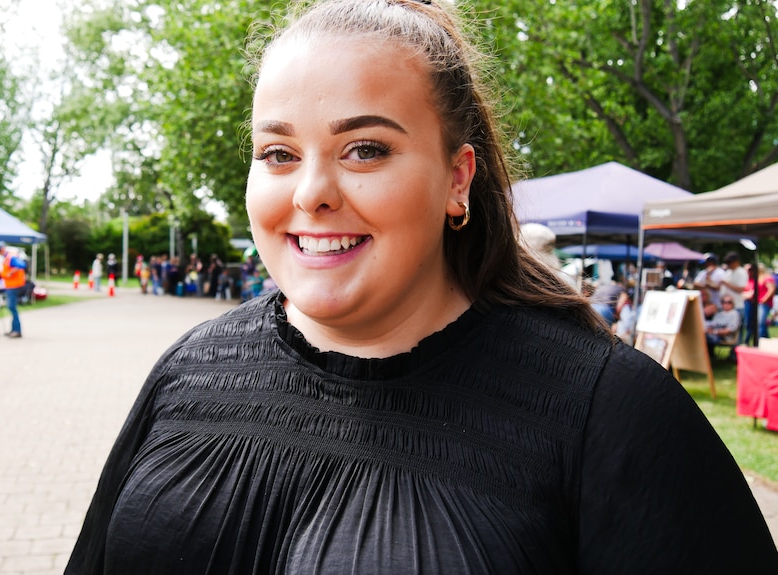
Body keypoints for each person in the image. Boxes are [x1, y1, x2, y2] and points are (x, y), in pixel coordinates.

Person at [66, 1, 778, 572]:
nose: (311, 192)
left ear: (457, 178)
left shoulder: (610, 412)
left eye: (365, 149)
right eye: (278, 153)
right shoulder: (188, 371)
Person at [0, 241, 27, 338]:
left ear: (0, 250)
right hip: (10, 285)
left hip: (14, 285)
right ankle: (14, 329)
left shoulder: (10, 257)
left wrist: (11, 273)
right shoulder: (8, 257)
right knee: (11, 307)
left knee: (12, 307)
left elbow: (22, 265)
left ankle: (17, 330)